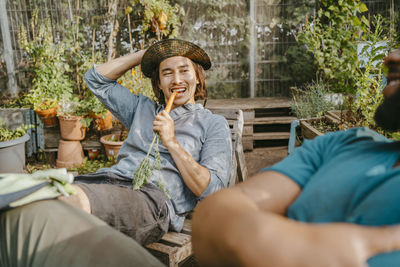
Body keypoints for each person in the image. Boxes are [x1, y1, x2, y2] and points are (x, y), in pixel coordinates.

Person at [192, 49, 400, 267]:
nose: (392, 57)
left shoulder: (213, 124)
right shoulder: (341, 145)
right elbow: (211, 218)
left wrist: (257, 238)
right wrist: (309, 249)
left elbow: (216, 206)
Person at [61, 38, 232, 245]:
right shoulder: (140, 108)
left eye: (184, 71)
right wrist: (146, 54)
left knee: (71, 200)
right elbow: (95, 79)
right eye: (167, 73)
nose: (177, 80)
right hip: (108, 180)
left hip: (152, 199)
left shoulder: (212, 123)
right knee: (46, 196)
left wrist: (171, 142)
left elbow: (213, 190)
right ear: (159, 83)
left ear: (197, 77)